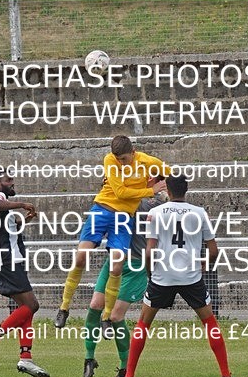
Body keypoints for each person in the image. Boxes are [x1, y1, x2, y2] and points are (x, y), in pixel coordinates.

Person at [117, 175, 240, 377]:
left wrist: (149, 274)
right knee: (209, 322)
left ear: (169, 191)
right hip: (190, 276)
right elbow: (214, 251)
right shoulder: (199, 213)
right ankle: (226, 375)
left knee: (143, 324)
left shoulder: (155, 213)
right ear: (186, 191)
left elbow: (149, 251)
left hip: (162, 276)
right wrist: (204, 263)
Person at [55, 135, 170, 330]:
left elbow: (171, 174)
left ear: (133, 153)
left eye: (124, 159)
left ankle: (106, 318)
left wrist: (162, 186)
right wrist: (151, 191)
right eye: (118, 159)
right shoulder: (110, 159)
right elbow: (121, 193)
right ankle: (64, 307)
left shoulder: (148, 162)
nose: (120, 162)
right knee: (81, 257)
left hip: (124, 217)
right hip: (102, 210)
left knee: (116, 267)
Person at [82, 189, 166, 377]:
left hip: (135, 265)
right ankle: (89, 357)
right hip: (115, 259)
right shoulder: (119, 199)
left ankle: (124, 366)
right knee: (95, 305)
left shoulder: (154, 205)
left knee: (115, 316)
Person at [0, 170, 49, 377]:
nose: (12, 182)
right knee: (32, 305)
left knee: (26, 308)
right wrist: (21, 204)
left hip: (8, 260)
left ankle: (26, 357)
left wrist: (24, 220)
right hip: (5, 260)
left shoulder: (4, 211)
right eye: (7, 180)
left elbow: (9, 228)